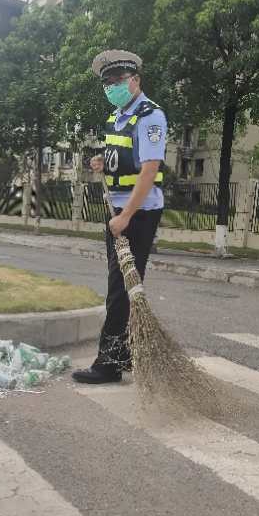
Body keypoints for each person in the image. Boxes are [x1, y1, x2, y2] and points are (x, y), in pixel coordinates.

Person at [72, 50, 167, 384]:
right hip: (118, 209)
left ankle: (108, 364)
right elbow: (125, 157)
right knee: (125, 284)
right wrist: (103, 161)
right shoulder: (116, 116)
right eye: (108, 82)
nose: (113, 86)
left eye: (119, 80)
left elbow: (150, 169)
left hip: (137, 213)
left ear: (135, 81)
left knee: (120, 287)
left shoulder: (150, 116)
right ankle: (124, 354)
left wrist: (126, 215)